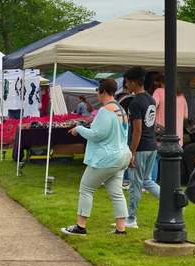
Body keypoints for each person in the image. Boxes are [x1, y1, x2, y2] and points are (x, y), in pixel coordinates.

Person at [61, 78, 131, 236]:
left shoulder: (105, 111)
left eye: (97, 91)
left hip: (107, 157)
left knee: (86, 188)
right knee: (116, 192)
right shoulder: (121, 109)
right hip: (122, 155)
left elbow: (97, 134)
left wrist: (78, 128)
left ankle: (80, 226)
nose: (97, 94)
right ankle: (121, 229)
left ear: (103, 92)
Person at [123, 66, 160, 229]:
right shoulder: (151, 99)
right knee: (147, 180)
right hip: (152, 145)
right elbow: (152, 125)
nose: (126, 86)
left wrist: (131, 153)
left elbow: (137, 130)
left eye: (126, 83)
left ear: (132, 83)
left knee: (135, 183)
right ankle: (171, 202)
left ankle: (131, 219)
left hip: (141, 147)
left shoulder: (135, 102)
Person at [151, 77, 188, 182]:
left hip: (161, 133)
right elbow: (186, 116)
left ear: (162, 83)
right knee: (174, 159)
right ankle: (173, 181)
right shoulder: (181, 96)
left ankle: (152, 182)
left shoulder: (159, 92)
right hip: (178, 136)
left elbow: (151, 107)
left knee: (155, 158)